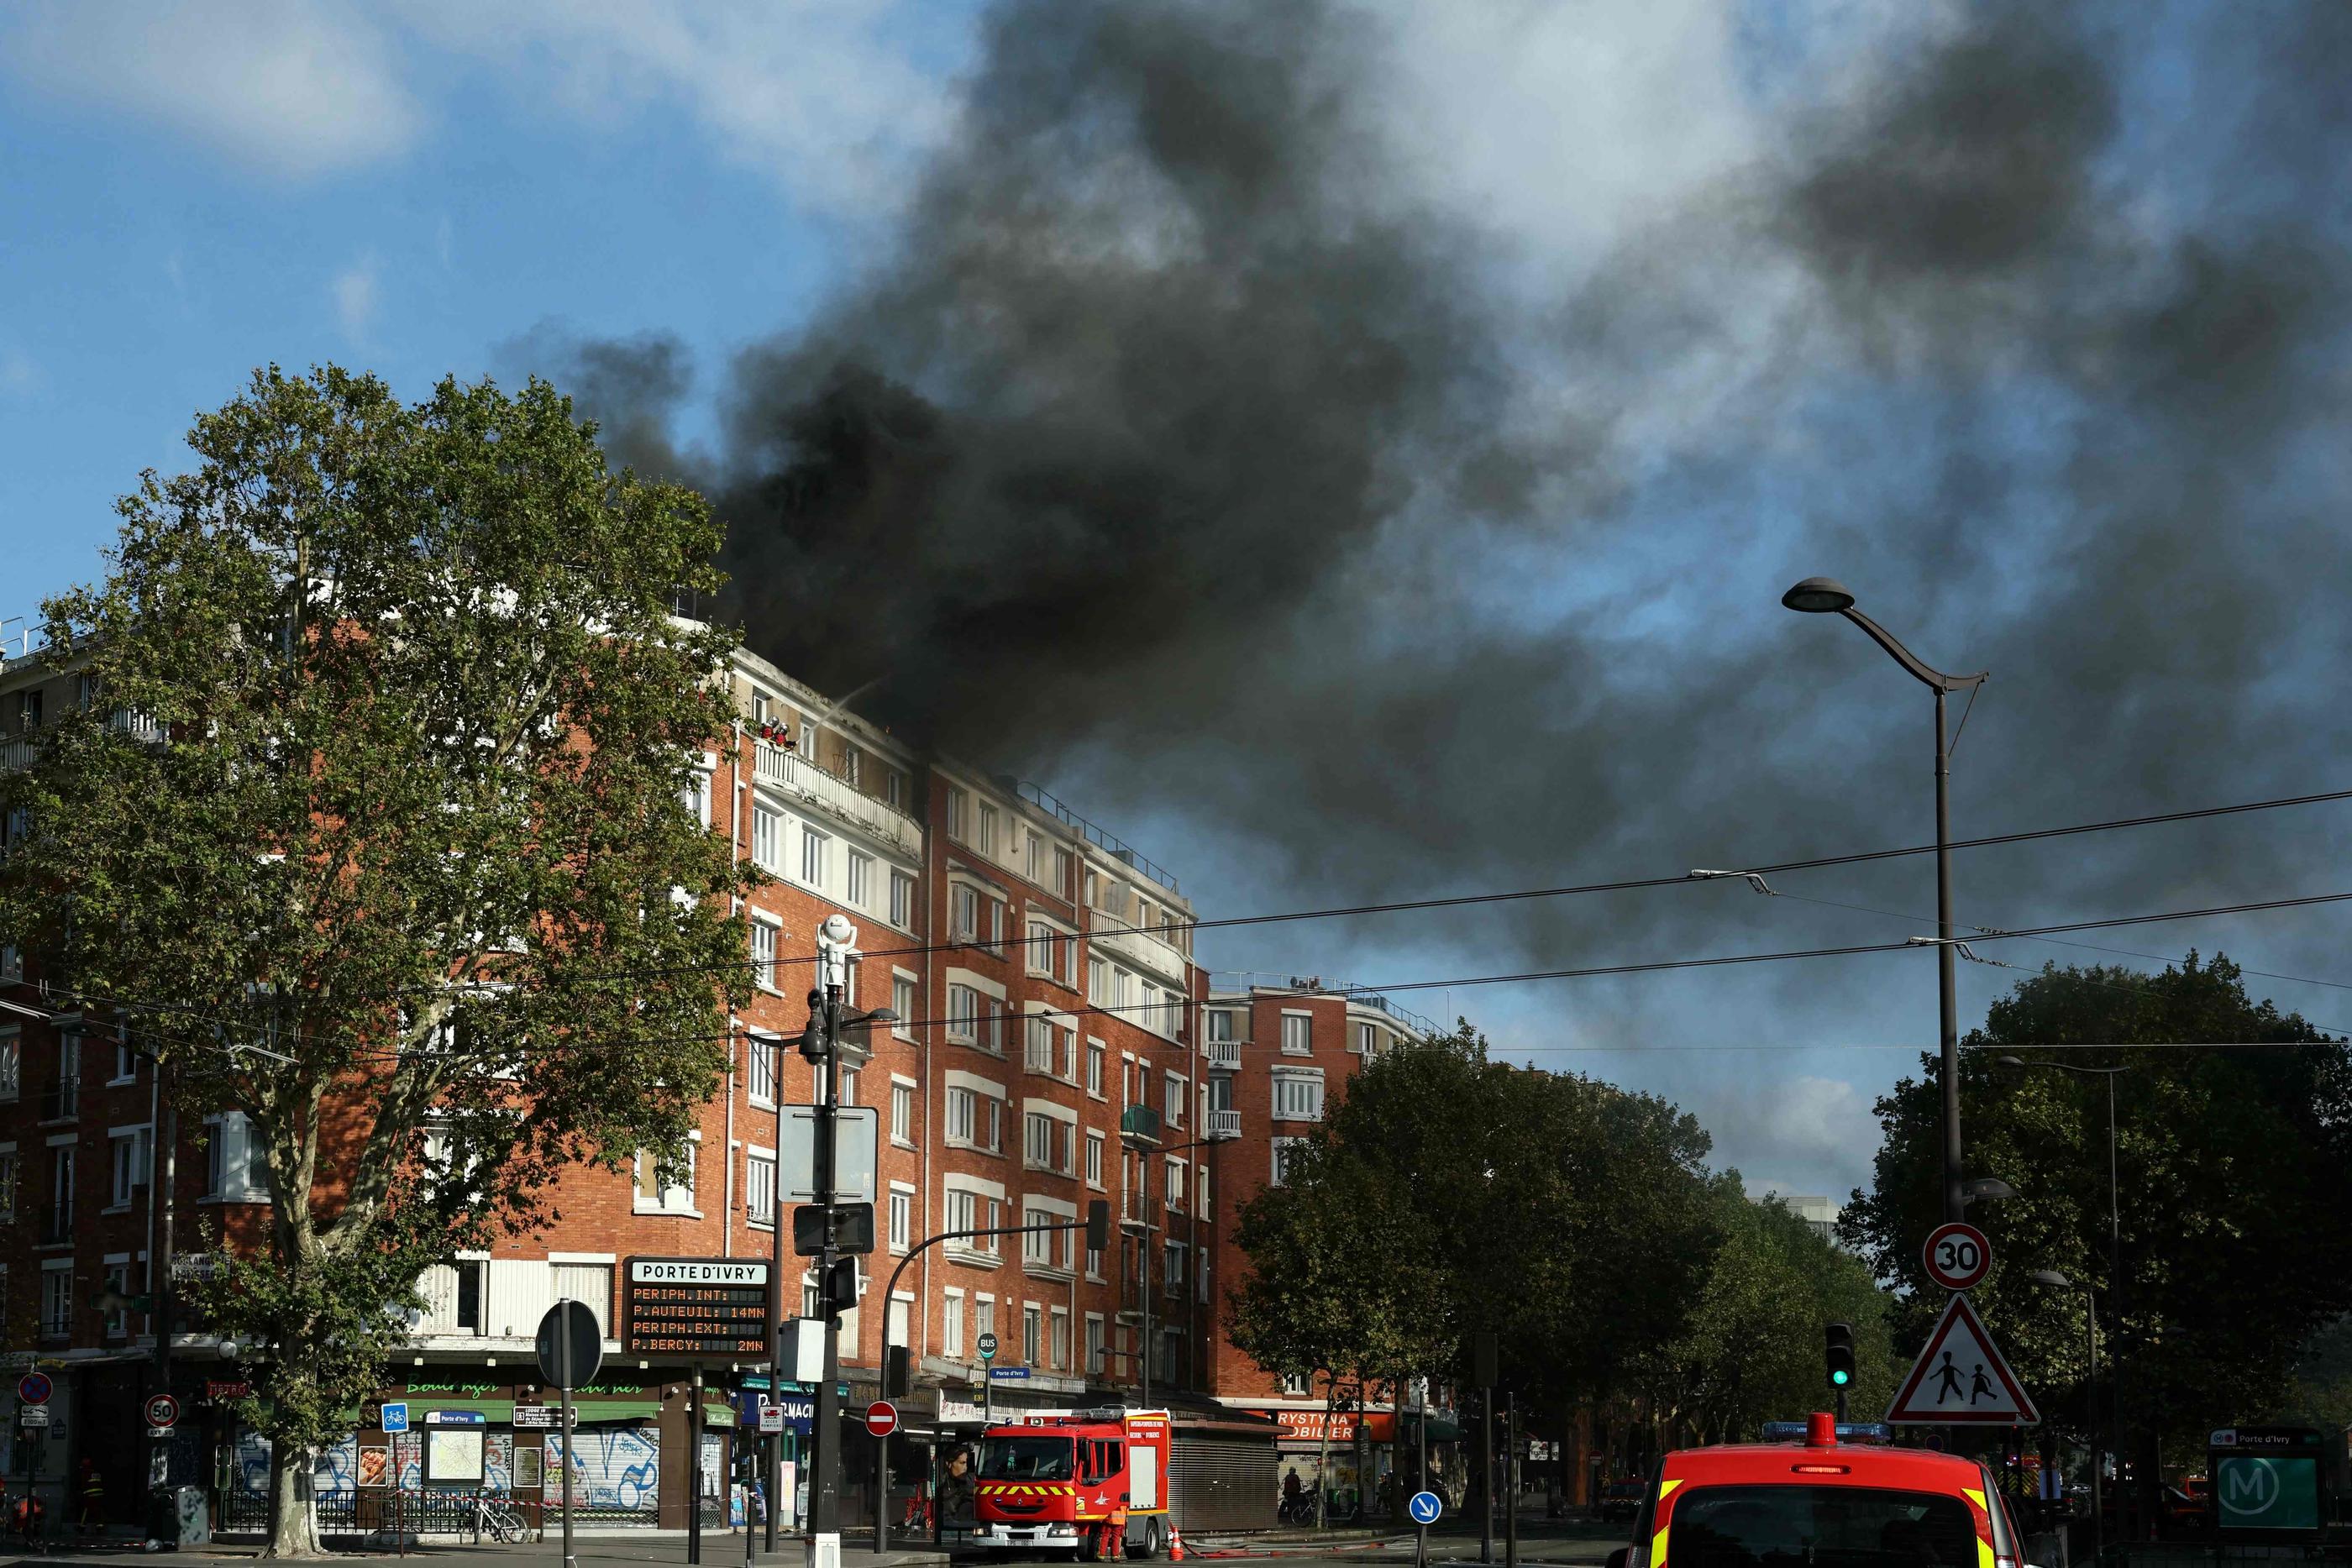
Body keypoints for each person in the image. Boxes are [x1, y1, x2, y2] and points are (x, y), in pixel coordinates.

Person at [74, 1461, 103, 1539]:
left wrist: (82, 1494)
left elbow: (83, 1485)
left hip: (90, 1495)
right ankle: (100, 1528)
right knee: (98, 1512)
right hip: (99, 1495)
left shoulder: (86, 1474)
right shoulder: (96, 1473)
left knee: (86, 1512)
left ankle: (82, 1527)